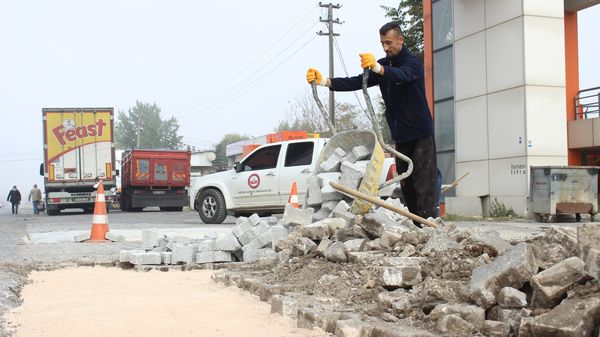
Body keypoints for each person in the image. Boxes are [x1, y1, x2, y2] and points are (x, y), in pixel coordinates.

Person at [306, 22, 437, 221]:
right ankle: (416, 224)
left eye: (389, 43)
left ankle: (429, 223)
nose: (385, 47)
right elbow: (357, 82)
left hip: (420, 132)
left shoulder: (413, 63)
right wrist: (326, 81)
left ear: (401, 40)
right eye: (382, 43)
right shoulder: (384, 66)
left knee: (423, 181)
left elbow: (402, 76)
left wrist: (378, 67)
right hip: (401, 135)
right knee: (406, 183)